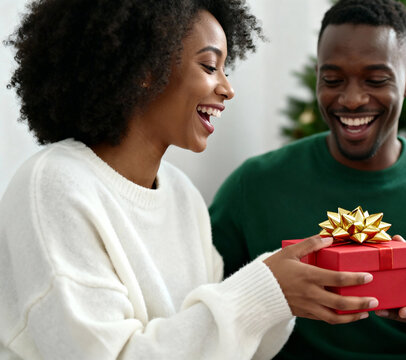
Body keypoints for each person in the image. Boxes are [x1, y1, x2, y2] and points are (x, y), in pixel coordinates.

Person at [0, 0, 378, 358]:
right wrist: (266, 290)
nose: (227, 88)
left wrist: (284, 292)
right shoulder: (54, 184)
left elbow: (219, 348)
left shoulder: (182, 195)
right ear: (148, 69)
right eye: (210, 67)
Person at [210, 0, 406, 359]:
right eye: (332, 80)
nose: (351, 100)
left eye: (376, 80)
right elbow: (195, 305)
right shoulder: (255, 185)